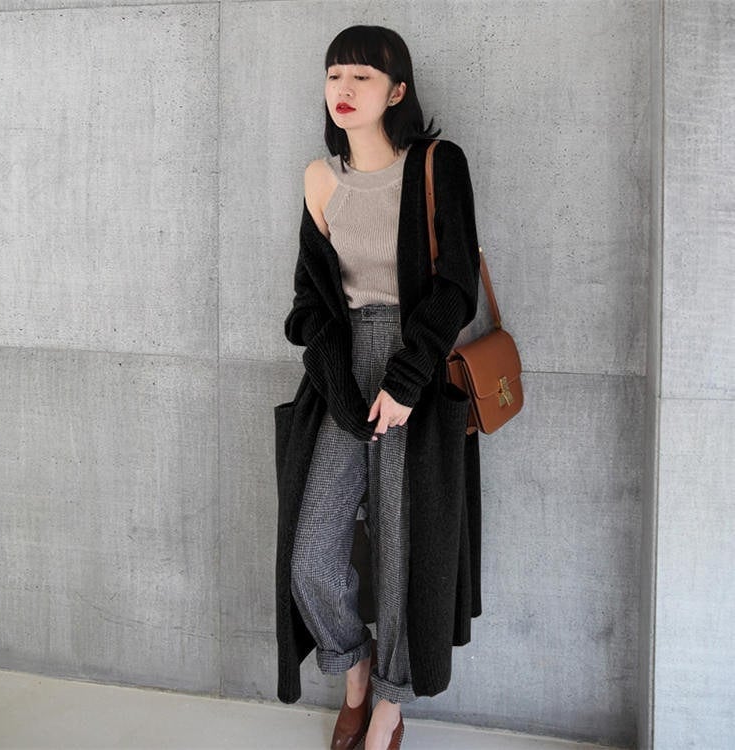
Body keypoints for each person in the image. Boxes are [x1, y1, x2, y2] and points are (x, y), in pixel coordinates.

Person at [274, 25, 483, 750]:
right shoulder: (320, 179)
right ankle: (354, 667)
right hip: (341, 376)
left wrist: (405, 380)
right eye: (334, 73)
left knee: (401, 555)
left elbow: (456, 286)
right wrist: (337, 384)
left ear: (397, 91)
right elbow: (309, 302)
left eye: (362, 75)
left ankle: (389, 705)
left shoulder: (436, 165)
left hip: (414, 370)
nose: (344, 88)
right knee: (310, 556)